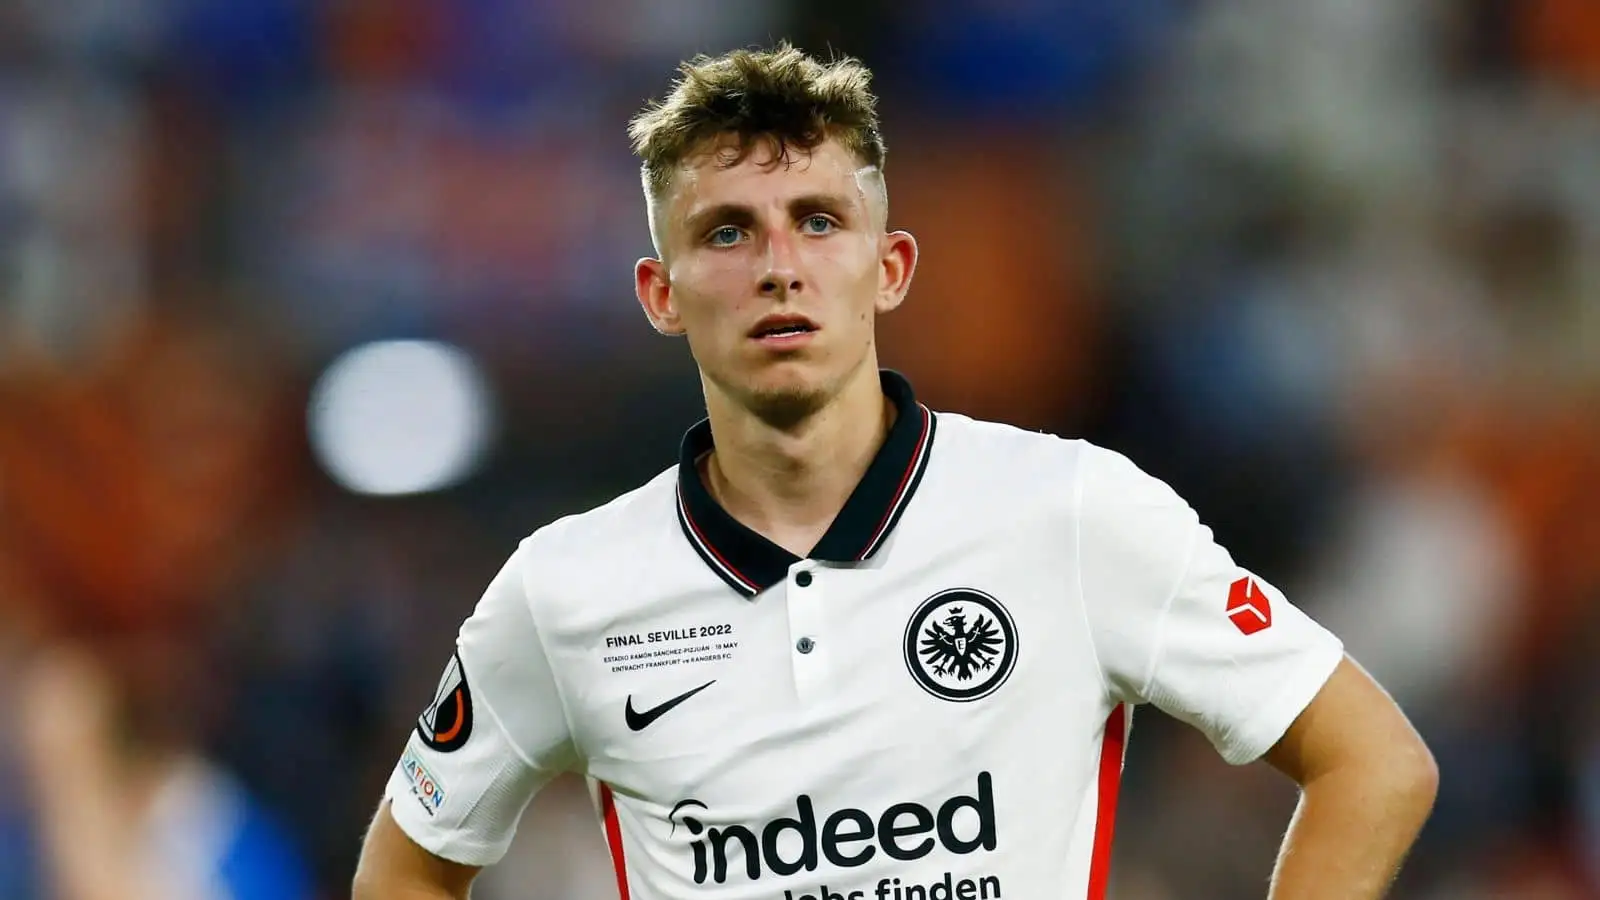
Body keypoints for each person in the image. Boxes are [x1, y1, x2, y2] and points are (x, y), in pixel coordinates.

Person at [352, 42, 1437, 900]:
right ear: (660, 293)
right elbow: (406, 865)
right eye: (727, 233)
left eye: (818, 222)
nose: (780, 267)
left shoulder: (1065, 512)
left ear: (890, 267)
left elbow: (1373, 762)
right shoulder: (566, 588)